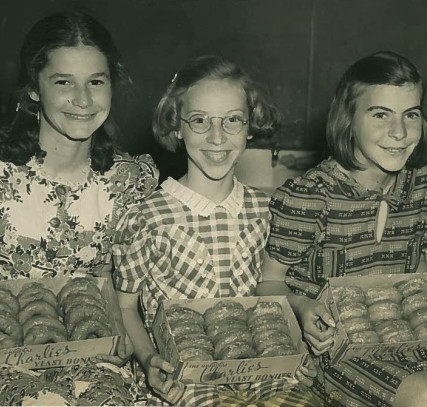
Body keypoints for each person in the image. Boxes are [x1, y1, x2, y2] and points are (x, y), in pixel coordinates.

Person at [0, 10, 158, 406]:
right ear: (34, 88)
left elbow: (126, 293)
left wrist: (121, 327)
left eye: (96, 82)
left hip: (99, 364)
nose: (83, 100)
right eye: (63, 82)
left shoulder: (132, 179)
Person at [256, 51, 427, 407]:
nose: (398, 132)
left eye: (410, 114)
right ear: (348, 119)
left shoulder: (424, 188)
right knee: (426, 395)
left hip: (399, 338)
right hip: (332, 350)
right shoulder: (312, 195)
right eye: (381, 114)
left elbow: (414, 268)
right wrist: (303, 308)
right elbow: (267, 283)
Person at [112, 55, 320, 406]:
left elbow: (275, 294)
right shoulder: (146, 218)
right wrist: (149, 360)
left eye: (233, 120)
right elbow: (125, 307)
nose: (217, 137)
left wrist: (297, 349)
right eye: (199, 120)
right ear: (176, 126)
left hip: (260, 373)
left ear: (250, 126)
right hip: (184, 381)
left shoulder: (266, 209)